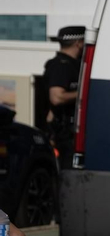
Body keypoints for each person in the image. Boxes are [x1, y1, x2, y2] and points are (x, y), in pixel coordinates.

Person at [41, 25, 84, 156]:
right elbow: (57, 97)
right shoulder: (61, 66)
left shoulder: (74, 64)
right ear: (78, 43)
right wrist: (84, 93)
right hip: (64, 135)